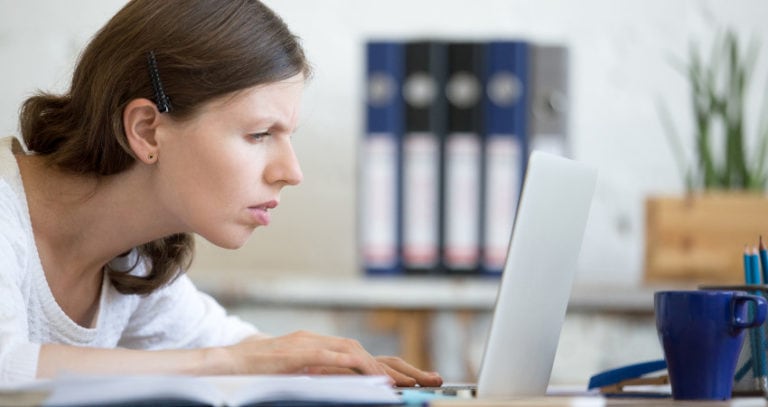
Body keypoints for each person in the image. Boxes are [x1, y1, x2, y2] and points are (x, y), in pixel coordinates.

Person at [0, 0, 443, 387]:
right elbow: (7, 368)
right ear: (146, 130)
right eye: (258, 134)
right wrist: (235, 362)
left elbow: (227, 345)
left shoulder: (130, 260)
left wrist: (327, 369)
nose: (291, 172)